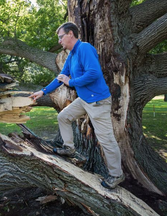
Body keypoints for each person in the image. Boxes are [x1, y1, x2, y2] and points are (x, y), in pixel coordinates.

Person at [29, 22, 124, 189]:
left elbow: (94, 73)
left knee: (106, 140)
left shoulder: (85, 48)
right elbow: (61, 77)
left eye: (60, 37)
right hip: (85, 99)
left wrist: (71, 82)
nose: (59, 41)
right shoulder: (71, 55)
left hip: (98, 101)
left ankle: (116, 175)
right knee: (63, 117)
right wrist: (42, 92)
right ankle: (69, 148)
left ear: (70, 34)